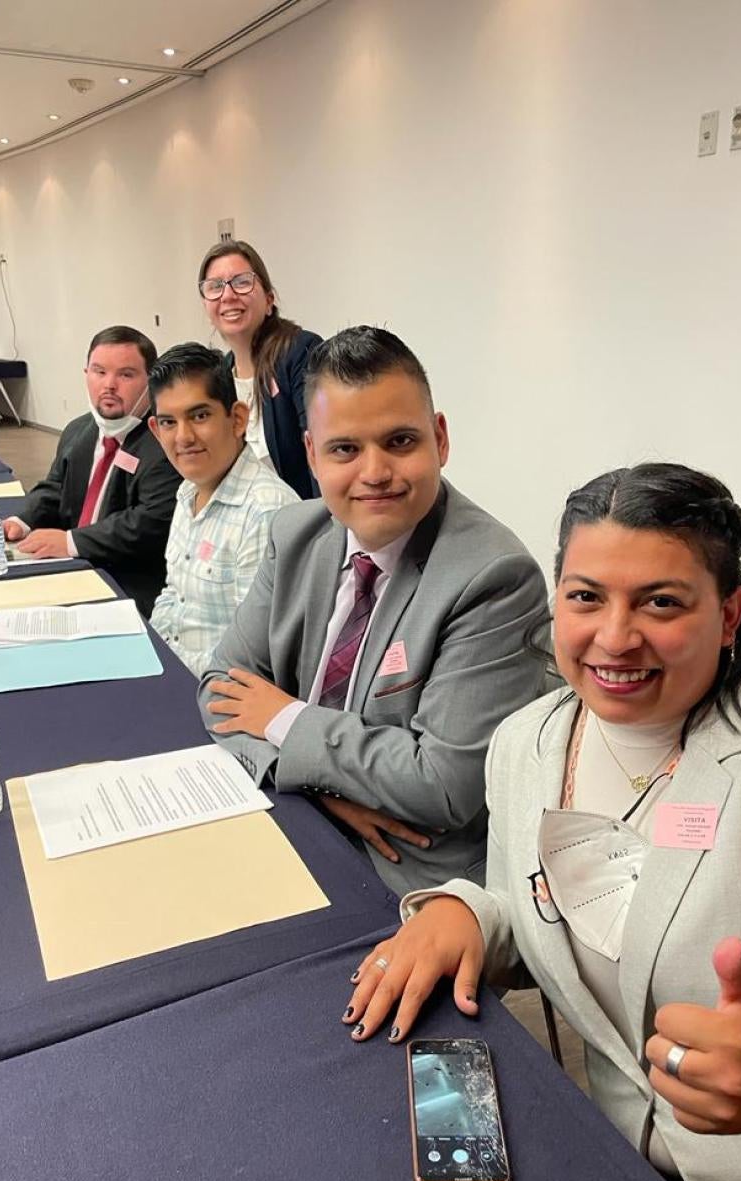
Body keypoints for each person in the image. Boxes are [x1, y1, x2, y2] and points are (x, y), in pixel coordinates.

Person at [342, 463, 741, 1181]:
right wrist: (466, 910)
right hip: (613, 1180)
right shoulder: (526, 743)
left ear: (731, 611)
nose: (615, 636)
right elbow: (547, 905)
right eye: (586, 596)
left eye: (661, 601)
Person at [199, 326, 548, 896]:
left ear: (440, 438)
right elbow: (220, 690)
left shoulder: (494, 576)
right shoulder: (295, 535)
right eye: (345, 449)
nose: (375, 472)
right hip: (297, 815)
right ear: (311, 454)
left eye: (401, 442)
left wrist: (284, 720)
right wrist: (322, 793)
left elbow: (441, 785)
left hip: (403, 873)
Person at [4, 326, 181, 616]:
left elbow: (151, 522)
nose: (109, 385)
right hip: (73, 568)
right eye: (99, 372)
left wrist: (71, 542)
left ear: (151, 381)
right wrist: (22, 520)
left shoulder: (165, 441)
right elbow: (55, 487)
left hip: (129, 580)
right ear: (86, 373)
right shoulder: (78, 430)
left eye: (125, 374)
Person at [148, 342, 298, 677]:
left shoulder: (265, 511)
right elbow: (174, 595)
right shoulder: (188, 490)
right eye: (169, 422)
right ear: (156, 432)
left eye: (199, 416)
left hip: (219, 694)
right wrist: (150, 650)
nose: (183, 437)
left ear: (237, 419)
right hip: (172, 671)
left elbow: (255, 658)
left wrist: (166, 666)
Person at [197, 240, 321, 499]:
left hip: (301, 522)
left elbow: (322, 451)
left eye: (242, 282)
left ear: (268, 300)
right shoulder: (220, 374)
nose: (228, 296)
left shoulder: (300, 353)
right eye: (215, 287)